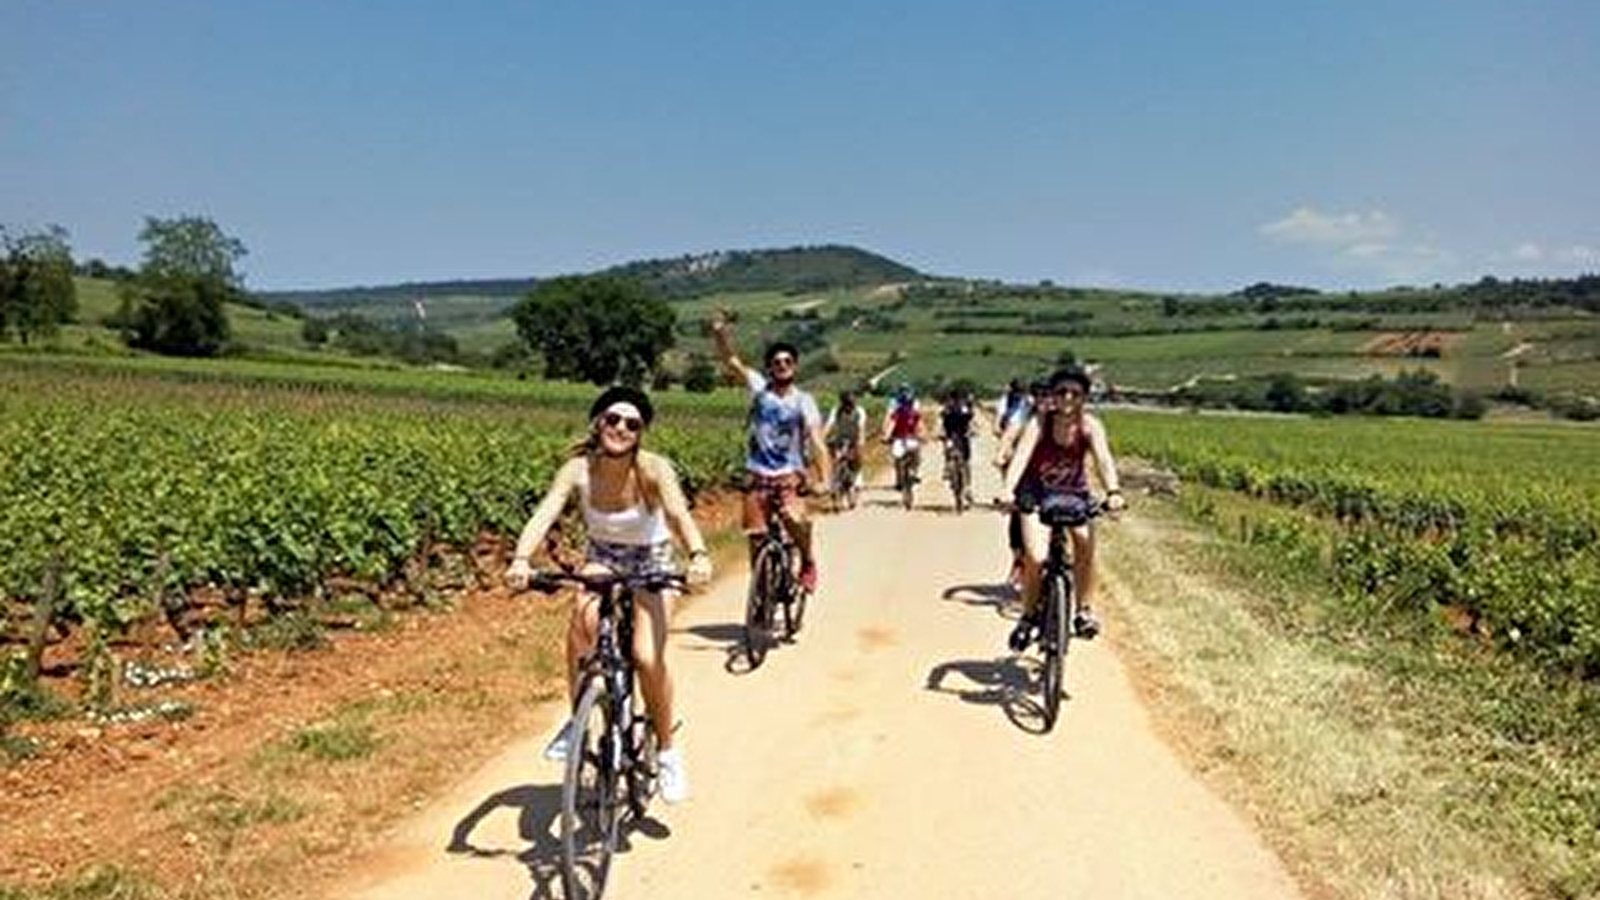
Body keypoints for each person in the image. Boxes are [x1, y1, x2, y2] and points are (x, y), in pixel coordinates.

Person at [505, 385, 712, 805]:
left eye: (632, 424)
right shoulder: (577, 470)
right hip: (604, 557)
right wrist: (521, 559)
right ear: (598, 422)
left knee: (646, 656)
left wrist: (698, 554)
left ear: (641, 434)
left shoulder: (653, 470)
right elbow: (545, 512)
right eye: (613, 419)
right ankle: (577, 717)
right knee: (581, 626)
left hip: (651, 560)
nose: (621, 428)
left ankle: (668, 751)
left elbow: (677, 514)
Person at [999, 366, 1125, 649]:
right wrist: (1008, 489)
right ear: (1053, 396)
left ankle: (1083, 611)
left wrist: (1113, 491)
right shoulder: (1039, 424)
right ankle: (1028, 616)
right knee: (1036, 556)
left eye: (1075, 393)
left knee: (1084, 543)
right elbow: (1020, 457)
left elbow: (1104, 460)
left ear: (1085, 397)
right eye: (1061, 392)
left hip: (1073, 493)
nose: (1068, 398)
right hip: (1036, 494)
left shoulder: (1091, 426)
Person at [709, 311, 832, 592]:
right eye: (776, 362)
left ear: (795, 366)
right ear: (769, 368)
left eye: (788, 361)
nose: (782, 366)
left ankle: (808, 560)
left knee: (794, 519)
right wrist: (719, 333)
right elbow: (732, 362)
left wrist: (825, 479)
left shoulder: (804, 401)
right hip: (758, 474)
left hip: (790, 475)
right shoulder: (759, 389)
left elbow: (817, 441)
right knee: (756, 536)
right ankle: (762, 591)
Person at [824, 390, 867, 501]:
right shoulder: (836, 411)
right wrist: (822, 437)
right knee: (836, 460)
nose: (849, 407)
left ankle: (857, 478)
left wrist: (860, 442)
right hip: (840, 438)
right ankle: (835, 484)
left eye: (851, 405)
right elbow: (829, 425)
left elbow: (861, 428)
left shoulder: (860, 411)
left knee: (858, 459)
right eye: (847, 405)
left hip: (854, 439)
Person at [883, 384, 924, 492]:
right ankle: (899, 479)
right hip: (899, 436)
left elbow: (920, 424)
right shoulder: (896, 408)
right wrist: (886, 434)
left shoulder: (915, 411)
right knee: (897, 458)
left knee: (916, 453)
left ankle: (915, 471)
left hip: (911, 436)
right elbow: (891, 422)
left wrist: (922, 435)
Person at [938, 388, 976, 504]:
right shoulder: (963, 408)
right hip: (962, 437)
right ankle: (968, 487)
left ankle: (948, 470)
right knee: (965, 462)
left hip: (952, 437)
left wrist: (941, 434)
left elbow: (943, 423)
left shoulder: (947, 408)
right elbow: (970, 420)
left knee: (950, 454)